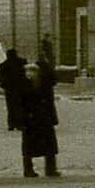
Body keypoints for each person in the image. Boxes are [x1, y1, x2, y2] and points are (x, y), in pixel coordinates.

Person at [23, 47, 61, 178]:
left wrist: (52, 117)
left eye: (32, 72)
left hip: (42, 118)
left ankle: (49, 169)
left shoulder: (42, 85)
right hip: (32, 119)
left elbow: (50, 102)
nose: (29, 74)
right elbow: (21, 104)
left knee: (47, 146)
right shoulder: (28, 86)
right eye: (28, 72)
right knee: (31, 147)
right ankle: (29, 170)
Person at [0, 46, 29, 136]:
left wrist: (4, 86)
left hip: (10, 89)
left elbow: (1, 78)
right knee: (20, 106)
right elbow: (26, 75)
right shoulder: (21, 63)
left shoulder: (4, 65)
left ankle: (11, 124)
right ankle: (20, 123)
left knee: (10, 107)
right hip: (20, 89)